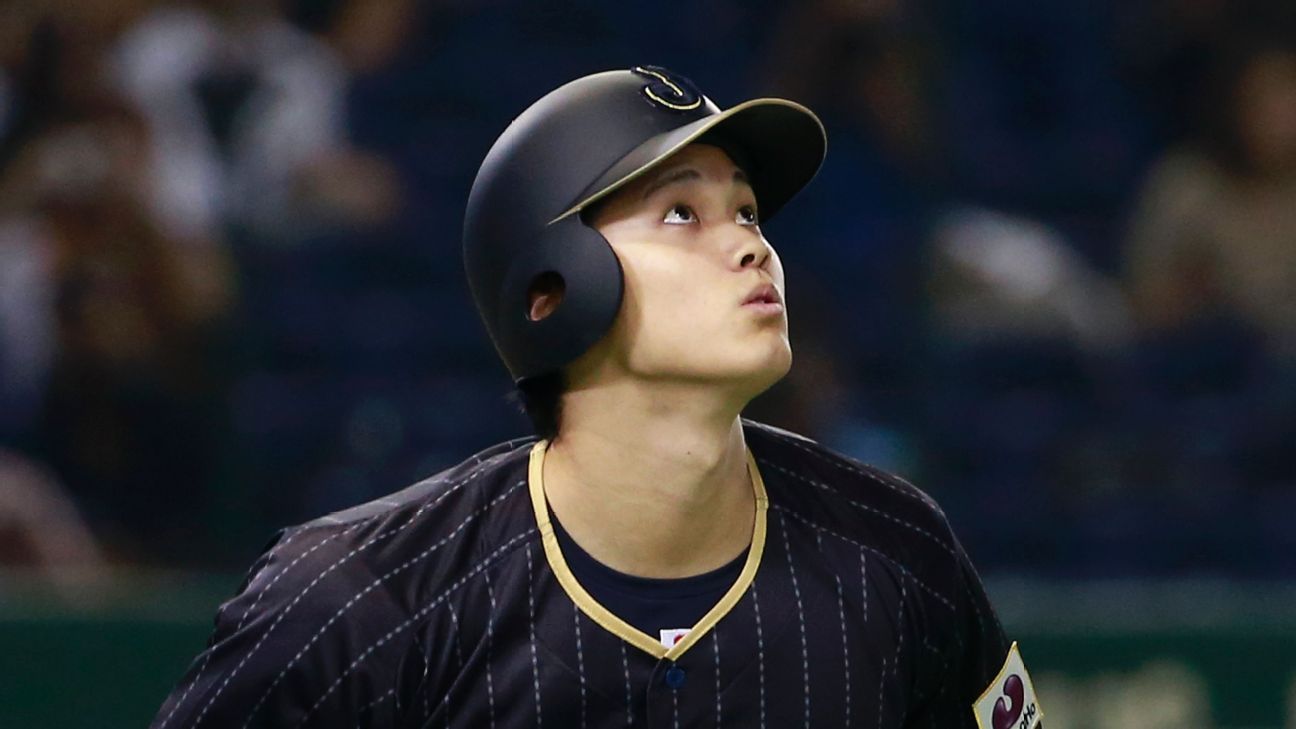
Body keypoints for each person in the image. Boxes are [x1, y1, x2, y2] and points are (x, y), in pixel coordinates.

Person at [150, 65, 1041, 728]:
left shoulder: (897, 553)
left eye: (749, 212)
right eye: (682, 214)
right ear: (549, 289)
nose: (750, 246)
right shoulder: (359, 597)